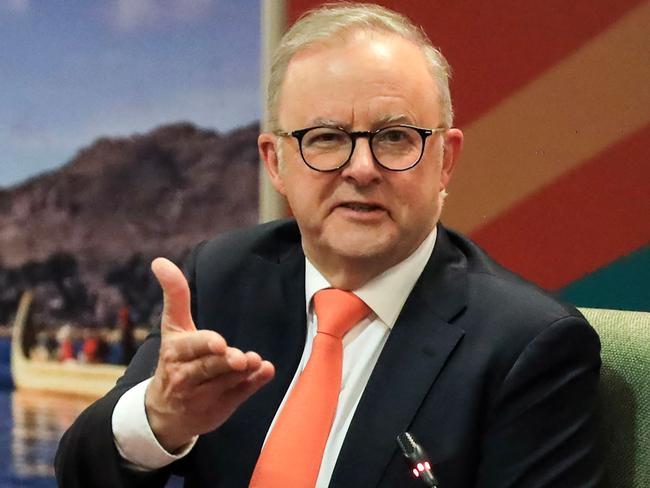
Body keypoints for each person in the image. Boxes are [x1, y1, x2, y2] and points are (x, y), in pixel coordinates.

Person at [55, 3, 602, 487]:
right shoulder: (221, 277)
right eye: (326, 138)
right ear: (276, 163)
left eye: (395, 137)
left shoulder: (528, 346)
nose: (361, 169)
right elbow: (81, 473)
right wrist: (159, 420)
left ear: (445, 160)